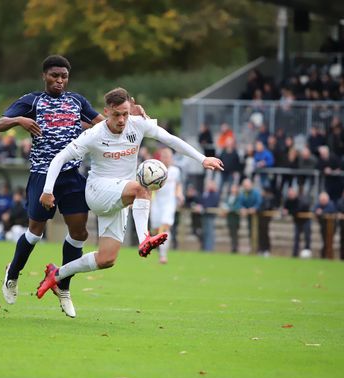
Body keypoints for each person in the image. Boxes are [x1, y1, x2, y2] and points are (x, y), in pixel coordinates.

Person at [35, 87, 223, 313]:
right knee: (142, 188)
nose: (122, 119)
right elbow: (60, 158)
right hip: (98, 191)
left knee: (107, 259)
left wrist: (202, 159)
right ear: (106, 112)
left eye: (125, 113)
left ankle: (57, 274)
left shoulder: (137, 124)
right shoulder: (94, 134)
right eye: (116, 115)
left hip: (120, 196)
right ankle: (145, 238)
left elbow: (170, 139)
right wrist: (47, 190)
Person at [0, 55, 105, 317]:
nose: (59, 80)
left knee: (79, 234)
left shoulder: (77, 101)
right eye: (55, 76)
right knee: (35, 232)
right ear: (44, 76)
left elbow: (101, 121)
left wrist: (124, 121)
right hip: (43, 175)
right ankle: (12, 273)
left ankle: (63, 286)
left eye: (64, 76)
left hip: (71, 174)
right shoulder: (32, 101)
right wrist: (19, 120)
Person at [150, 148, 183, 264]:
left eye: (168, 157)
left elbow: (178, 185)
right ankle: (156, 245)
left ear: (171, 158)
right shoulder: (156, 170)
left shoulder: (175, 171)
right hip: (157, 203)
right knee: (155, 229)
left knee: (165, 227)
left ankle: (163, 256)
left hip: (169, 203)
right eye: (164, 157)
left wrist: (179, 195)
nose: (166, 159)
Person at [282, 187, 312, 257]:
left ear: (295, 193)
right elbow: (284, 210)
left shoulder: (300, 200)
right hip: (297, 221)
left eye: (292, 193)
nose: (290, 195)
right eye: (289, 194)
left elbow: (297, 210)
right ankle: (295, 254)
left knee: (307, 237)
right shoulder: (287, 201)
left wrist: (288, 211)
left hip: (306, 220)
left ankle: (307, 251)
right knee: (296, 237)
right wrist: (283, 212)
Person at [314, 191, 337, 258]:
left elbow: (331, 210)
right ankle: (324, 256)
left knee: (329, 242)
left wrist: (322, 212)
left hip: (331, 226)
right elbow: (314, 209)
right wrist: (317, 211)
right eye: (321, 200)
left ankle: (329, 255)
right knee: (324, 242)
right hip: (323, 227)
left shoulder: (331, 204)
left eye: (324, 200)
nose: (323, 201)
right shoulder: (318, 204)